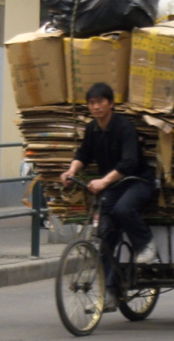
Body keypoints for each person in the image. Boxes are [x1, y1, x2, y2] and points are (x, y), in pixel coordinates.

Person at [60, 82, 157, 312]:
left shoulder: (124, 127)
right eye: (92, 103)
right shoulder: (92, 129)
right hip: (114, 185)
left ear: (111, 104)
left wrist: (104, 181)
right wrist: (72, 170)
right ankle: (110, 293)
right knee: (104, 235)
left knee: (123, 209)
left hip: (137, 181)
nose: (96, 107)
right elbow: (83, 153)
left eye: (100, 102)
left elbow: (130, 162)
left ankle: (146, 245)